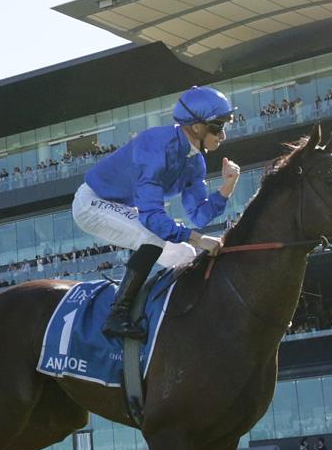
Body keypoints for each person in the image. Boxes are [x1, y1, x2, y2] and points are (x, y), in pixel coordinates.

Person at [74, 85, 241, 338]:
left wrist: (227, 188)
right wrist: (198, 238)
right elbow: (152, 218)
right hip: (91, 202)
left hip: (123, 206)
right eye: (218, 126)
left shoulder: (195, 161)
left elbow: (199, 216)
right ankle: (117, 315)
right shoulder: (155, 146)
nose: (223, 135)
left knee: (185, 255)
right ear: (196, 127)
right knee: (153, 236)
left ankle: (170, 320)